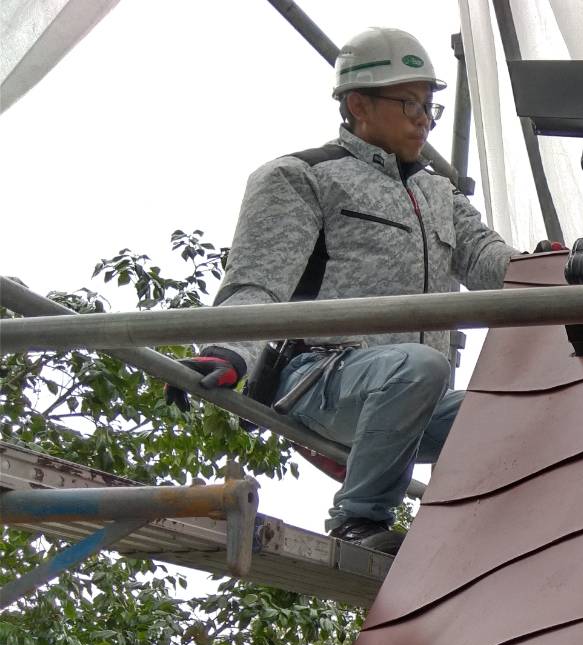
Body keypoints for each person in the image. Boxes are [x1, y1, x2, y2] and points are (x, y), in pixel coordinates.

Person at [168, 27, 520, 554]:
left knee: (519, 414)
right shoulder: (302, 176)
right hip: (319, 379)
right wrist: (227, 350)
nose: (424, 120)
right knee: (421, 366)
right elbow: (257, 281)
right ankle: (359, 520)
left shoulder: (438, 192)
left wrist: (561, 266)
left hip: (412, 398)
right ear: (358, 104)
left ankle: (480, 542)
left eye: (429, 107)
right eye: (410, 104)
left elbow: (492, 262)